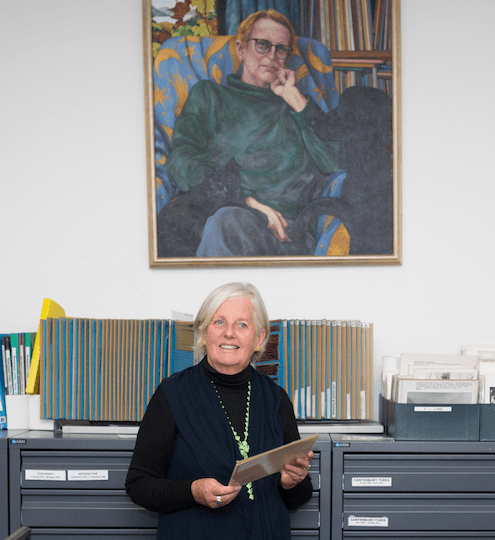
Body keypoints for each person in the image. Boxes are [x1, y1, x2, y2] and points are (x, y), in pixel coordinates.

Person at [125, 282, 313, 539]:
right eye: (219, 322)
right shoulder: (172, 394)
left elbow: (297, 498)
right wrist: (192, 491)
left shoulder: (275, 398)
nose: (229, 334)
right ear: (203, 333)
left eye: (242, 324)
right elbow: (139, 485)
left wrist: (292, 482)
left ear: (258, 339)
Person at [164, 10, 340, 257]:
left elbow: (336, 164)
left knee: (229, 224)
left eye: (281, 50)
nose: (271, 57)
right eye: (263, 45)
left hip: (286, 233)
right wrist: (248, 203)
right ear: (241, 49)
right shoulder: (209, 96)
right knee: (227, 222)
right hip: (222, 216)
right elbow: (181, 160)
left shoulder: (298, 106)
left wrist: (297, 101)